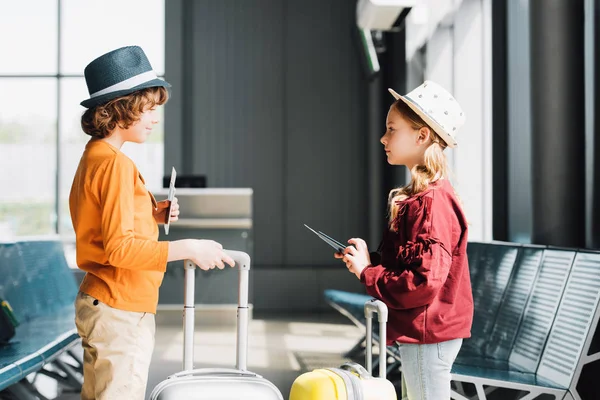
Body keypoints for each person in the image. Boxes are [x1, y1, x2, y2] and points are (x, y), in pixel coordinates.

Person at [69, 45, 235, 400]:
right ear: (121, 107)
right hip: (120, 305)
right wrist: (189, 247)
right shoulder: (116, 165)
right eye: (149, 108)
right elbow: (119, 248)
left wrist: (152, 214)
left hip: (101, 299)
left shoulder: (95, 157)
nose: (155, 118)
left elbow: (99, 223)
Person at [336, 81, 474, 399]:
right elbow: (418, 267)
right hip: (426, 332)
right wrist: (372, 261)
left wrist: (367, 273)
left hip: (428, 334)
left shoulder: (432, 201)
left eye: (391, 129)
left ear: (421, 135)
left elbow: (423, 281)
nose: (383, 138)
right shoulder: (426, 197)